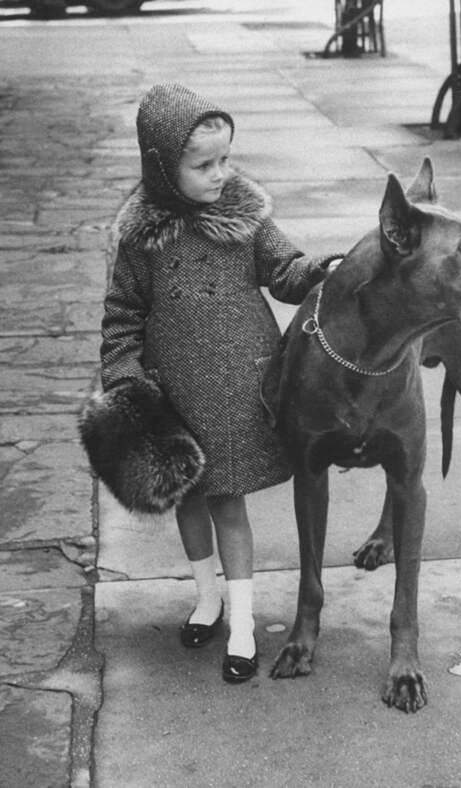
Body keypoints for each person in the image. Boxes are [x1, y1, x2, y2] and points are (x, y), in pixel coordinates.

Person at [100, 83, 341, 683]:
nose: (218, 174)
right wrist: (126, 382)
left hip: (239, 387)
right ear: (161, 168)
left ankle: (241, 623)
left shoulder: (243, 217)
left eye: (225, 160)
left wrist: (318, 270)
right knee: (189, 496)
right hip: (172, 392)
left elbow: (283, 270)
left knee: (228, 502)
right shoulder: (141, 240)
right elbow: (122, 316)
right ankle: (206, 596)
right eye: (202, 165)